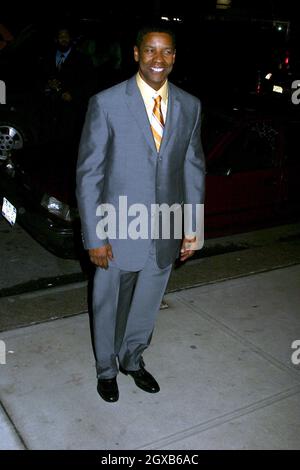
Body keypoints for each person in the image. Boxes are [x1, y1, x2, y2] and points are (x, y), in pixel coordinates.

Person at [76, 24, 205, 403]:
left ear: (175, 57)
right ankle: (106, 369)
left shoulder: (189, 106)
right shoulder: (107, 103)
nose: (158, 59)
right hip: (117, 228)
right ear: (136, 53)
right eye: (150, 51)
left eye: (166, 52)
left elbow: (193, 169)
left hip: (165, 228)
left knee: (147, 303)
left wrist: (191, 229)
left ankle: (133, 359)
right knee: (107, 303)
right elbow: (90, 175)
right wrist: (95, 236)